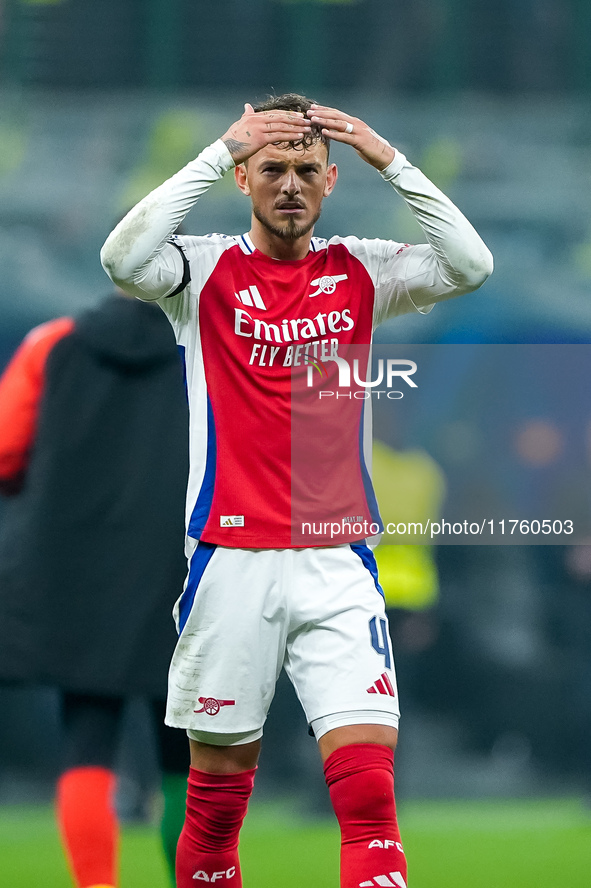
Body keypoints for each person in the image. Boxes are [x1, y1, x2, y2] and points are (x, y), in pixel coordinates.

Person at [100, 94, 493, 888]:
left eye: (306, 170)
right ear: (244, 180)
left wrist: (389, 157)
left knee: (371, 800)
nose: (289, 185)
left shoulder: (362, 270)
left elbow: (468, 264)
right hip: (229, 560)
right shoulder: (200, 271)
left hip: (337, 561)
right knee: (214, 812)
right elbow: (122, 260)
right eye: (271, 169)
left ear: (330, 180)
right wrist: (217, 149)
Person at [0, 292, 190, 888]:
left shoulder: (52, 342)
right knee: (185, 753)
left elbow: (5, 452)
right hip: (180, 567)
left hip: (74, 567)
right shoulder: (210, 346)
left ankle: (95, 885)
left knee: (87, 734)